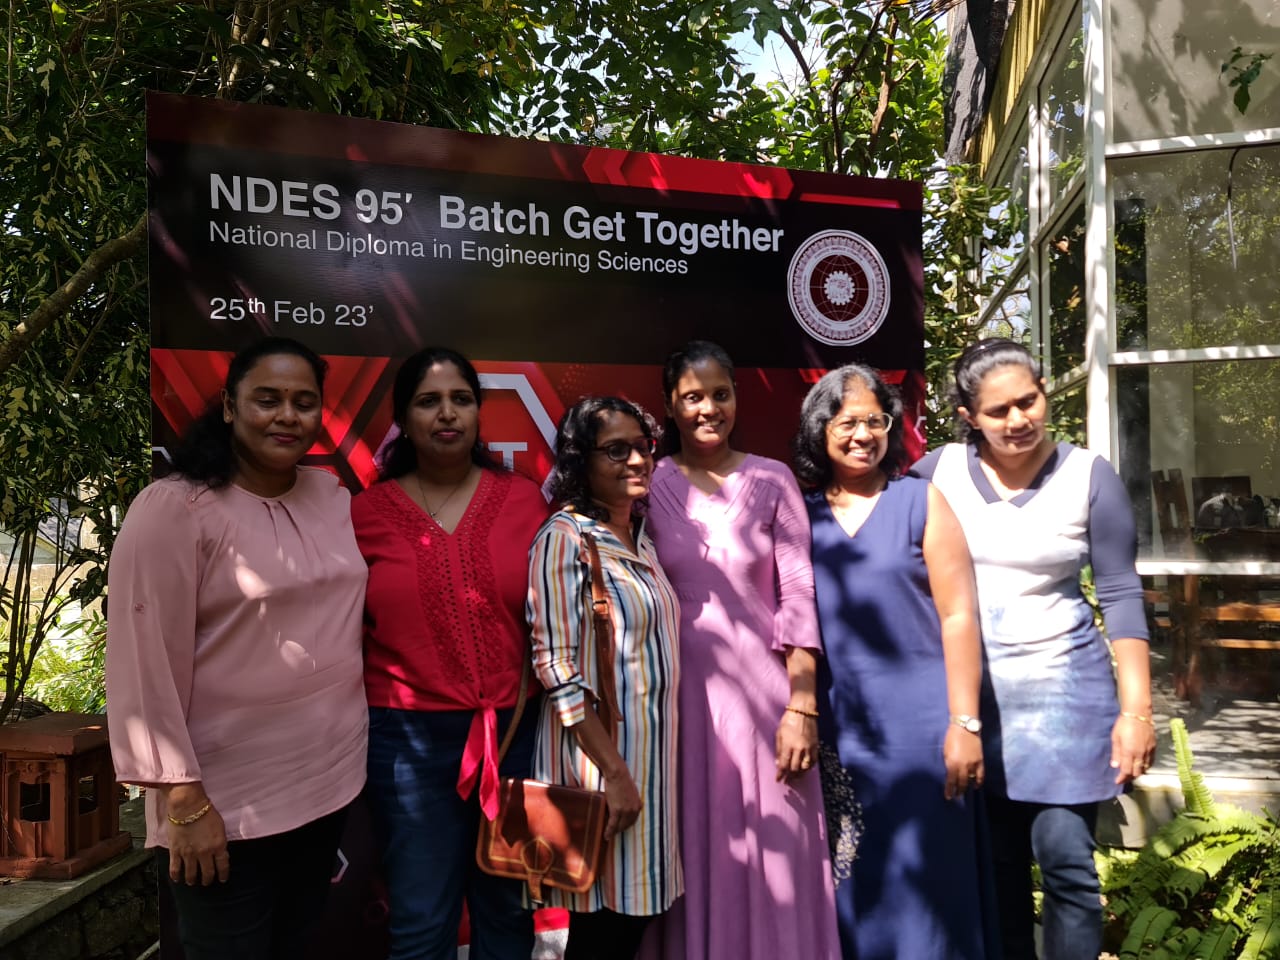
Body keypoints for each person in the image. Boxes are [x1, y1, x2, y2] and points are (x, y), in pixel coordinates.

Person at [106, 337, 368, 959]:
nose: (288, 415)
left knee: (298, 944)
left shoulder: (330, 495)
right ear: (228, 406)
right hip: (224, 807)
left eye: (304, 402)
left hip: (329, 785)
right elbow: (144, 665)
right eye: (268, 399)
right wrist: (184, 801)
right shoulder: (174, 508)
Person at [912, 338, 1156, 960]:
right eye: (999, 411)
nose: (1019, 420)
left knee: (1067, 867)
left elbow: (1122, 594)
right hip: (975, 708)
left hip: (1067, 707)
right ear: (968, 416)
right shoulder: (933, 475)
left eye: (1030, 401)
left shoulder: (1088, 477)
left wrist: (1137, 714)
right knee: (997, 873)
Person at [642, 341, 841, 960]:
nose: (709, 409)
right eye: (692, 397)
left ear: (736, 397)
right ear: (670, 408)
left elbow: (800, 598)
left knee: (780, 858)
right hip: (677, 713)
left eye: (720, 394)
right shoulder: (647, 484)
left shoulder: (772, 479)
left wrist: (801, 706)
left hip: (767, 710)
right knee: (695, 851)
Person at [352, 346, 549, 960]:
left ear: (478, 412)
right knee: (420, 921)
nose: (447, 413)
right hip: (407, 742)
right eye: (428, 401)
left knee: (508, 916)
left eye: (461, 399)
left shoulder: (522, 499)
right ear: (404, 419)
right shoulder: (364, 514)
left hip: (512, 734)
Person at [796, 363, 996, 960]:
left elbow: (960, 615)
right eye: (847, 421)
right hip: (837, 735)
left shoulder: (921, 500)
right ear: (819, 429)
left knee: (931, 889)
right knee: (857, 891)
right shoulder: (796, 512)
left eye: (876, 420)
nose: (863, 434)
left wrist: (965, 724)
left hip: (924, 734)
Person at [526, 396, 682, 960]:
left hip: (649, 773)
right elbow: (557, 669)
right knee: (597, 935)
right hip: (598, 778)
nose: (637, 460)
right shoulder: (564, 539)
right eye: (617, 450)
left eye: (643, 447)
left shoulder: (641, 539)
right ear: (579, 461)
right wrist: (613, 774)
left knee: (631, 925)